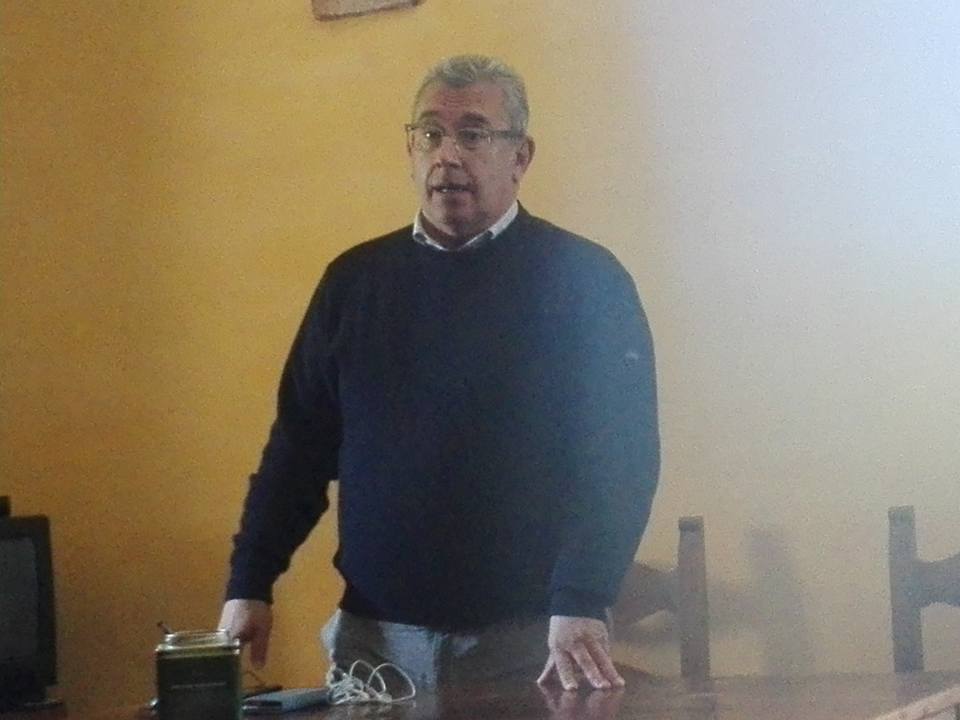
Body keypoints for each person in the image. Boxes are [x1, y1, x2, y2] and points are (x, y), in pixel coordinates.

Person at [219, 54, 660, 693]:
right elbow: (297, 450)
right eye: (430, 134)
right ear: (410, 149)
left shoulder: (587, 281)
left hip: (533, 640)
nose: (447, 155)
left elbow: (620, 460)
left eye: (473, 134)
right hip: (374, 644)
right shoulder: (353, 283)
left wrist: (582, 598)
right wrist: (249, 584)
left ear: (520, 156)